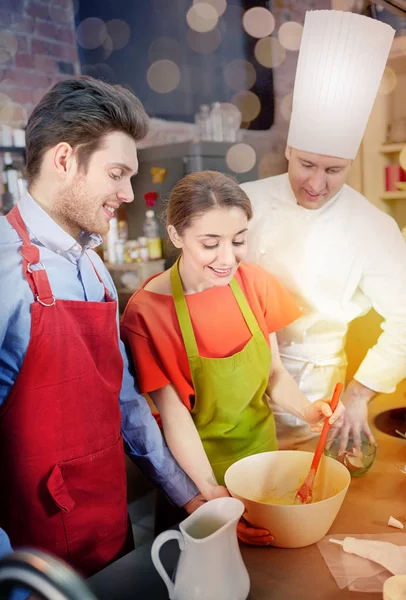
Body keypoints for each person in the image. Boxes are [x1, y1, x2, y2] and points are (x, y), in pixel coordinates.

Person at [0, 76, 202, 577]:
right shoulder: (5, 270)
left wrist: (189, 496)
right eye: (117, 173)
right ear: (65, 160)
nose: (128, 193)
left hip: (108, 527)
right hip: (35, 556)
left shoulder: (92, 266)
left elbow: (125, 400)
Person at [120, 170, 344, 545]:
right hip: (198, 477)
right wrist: (210, 495)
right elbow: (175, 419)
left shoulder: (254, 284)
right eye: (210, 244)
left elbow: (273, 374)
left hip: (264, 469)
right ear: (176, 235)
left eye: (239, 240)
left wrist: (307, 411)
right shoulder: (146, 313)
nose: (228, 259)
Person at [241, 10, 406, 452]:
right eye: (307, 165)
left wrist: (358, 394)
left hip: (318, 399)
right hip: (236, 386)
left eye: (334, 170)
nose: (316, 184)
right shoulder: (244, 200)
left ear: (350, 162)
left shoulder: (374, 226)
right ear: (290, 149)